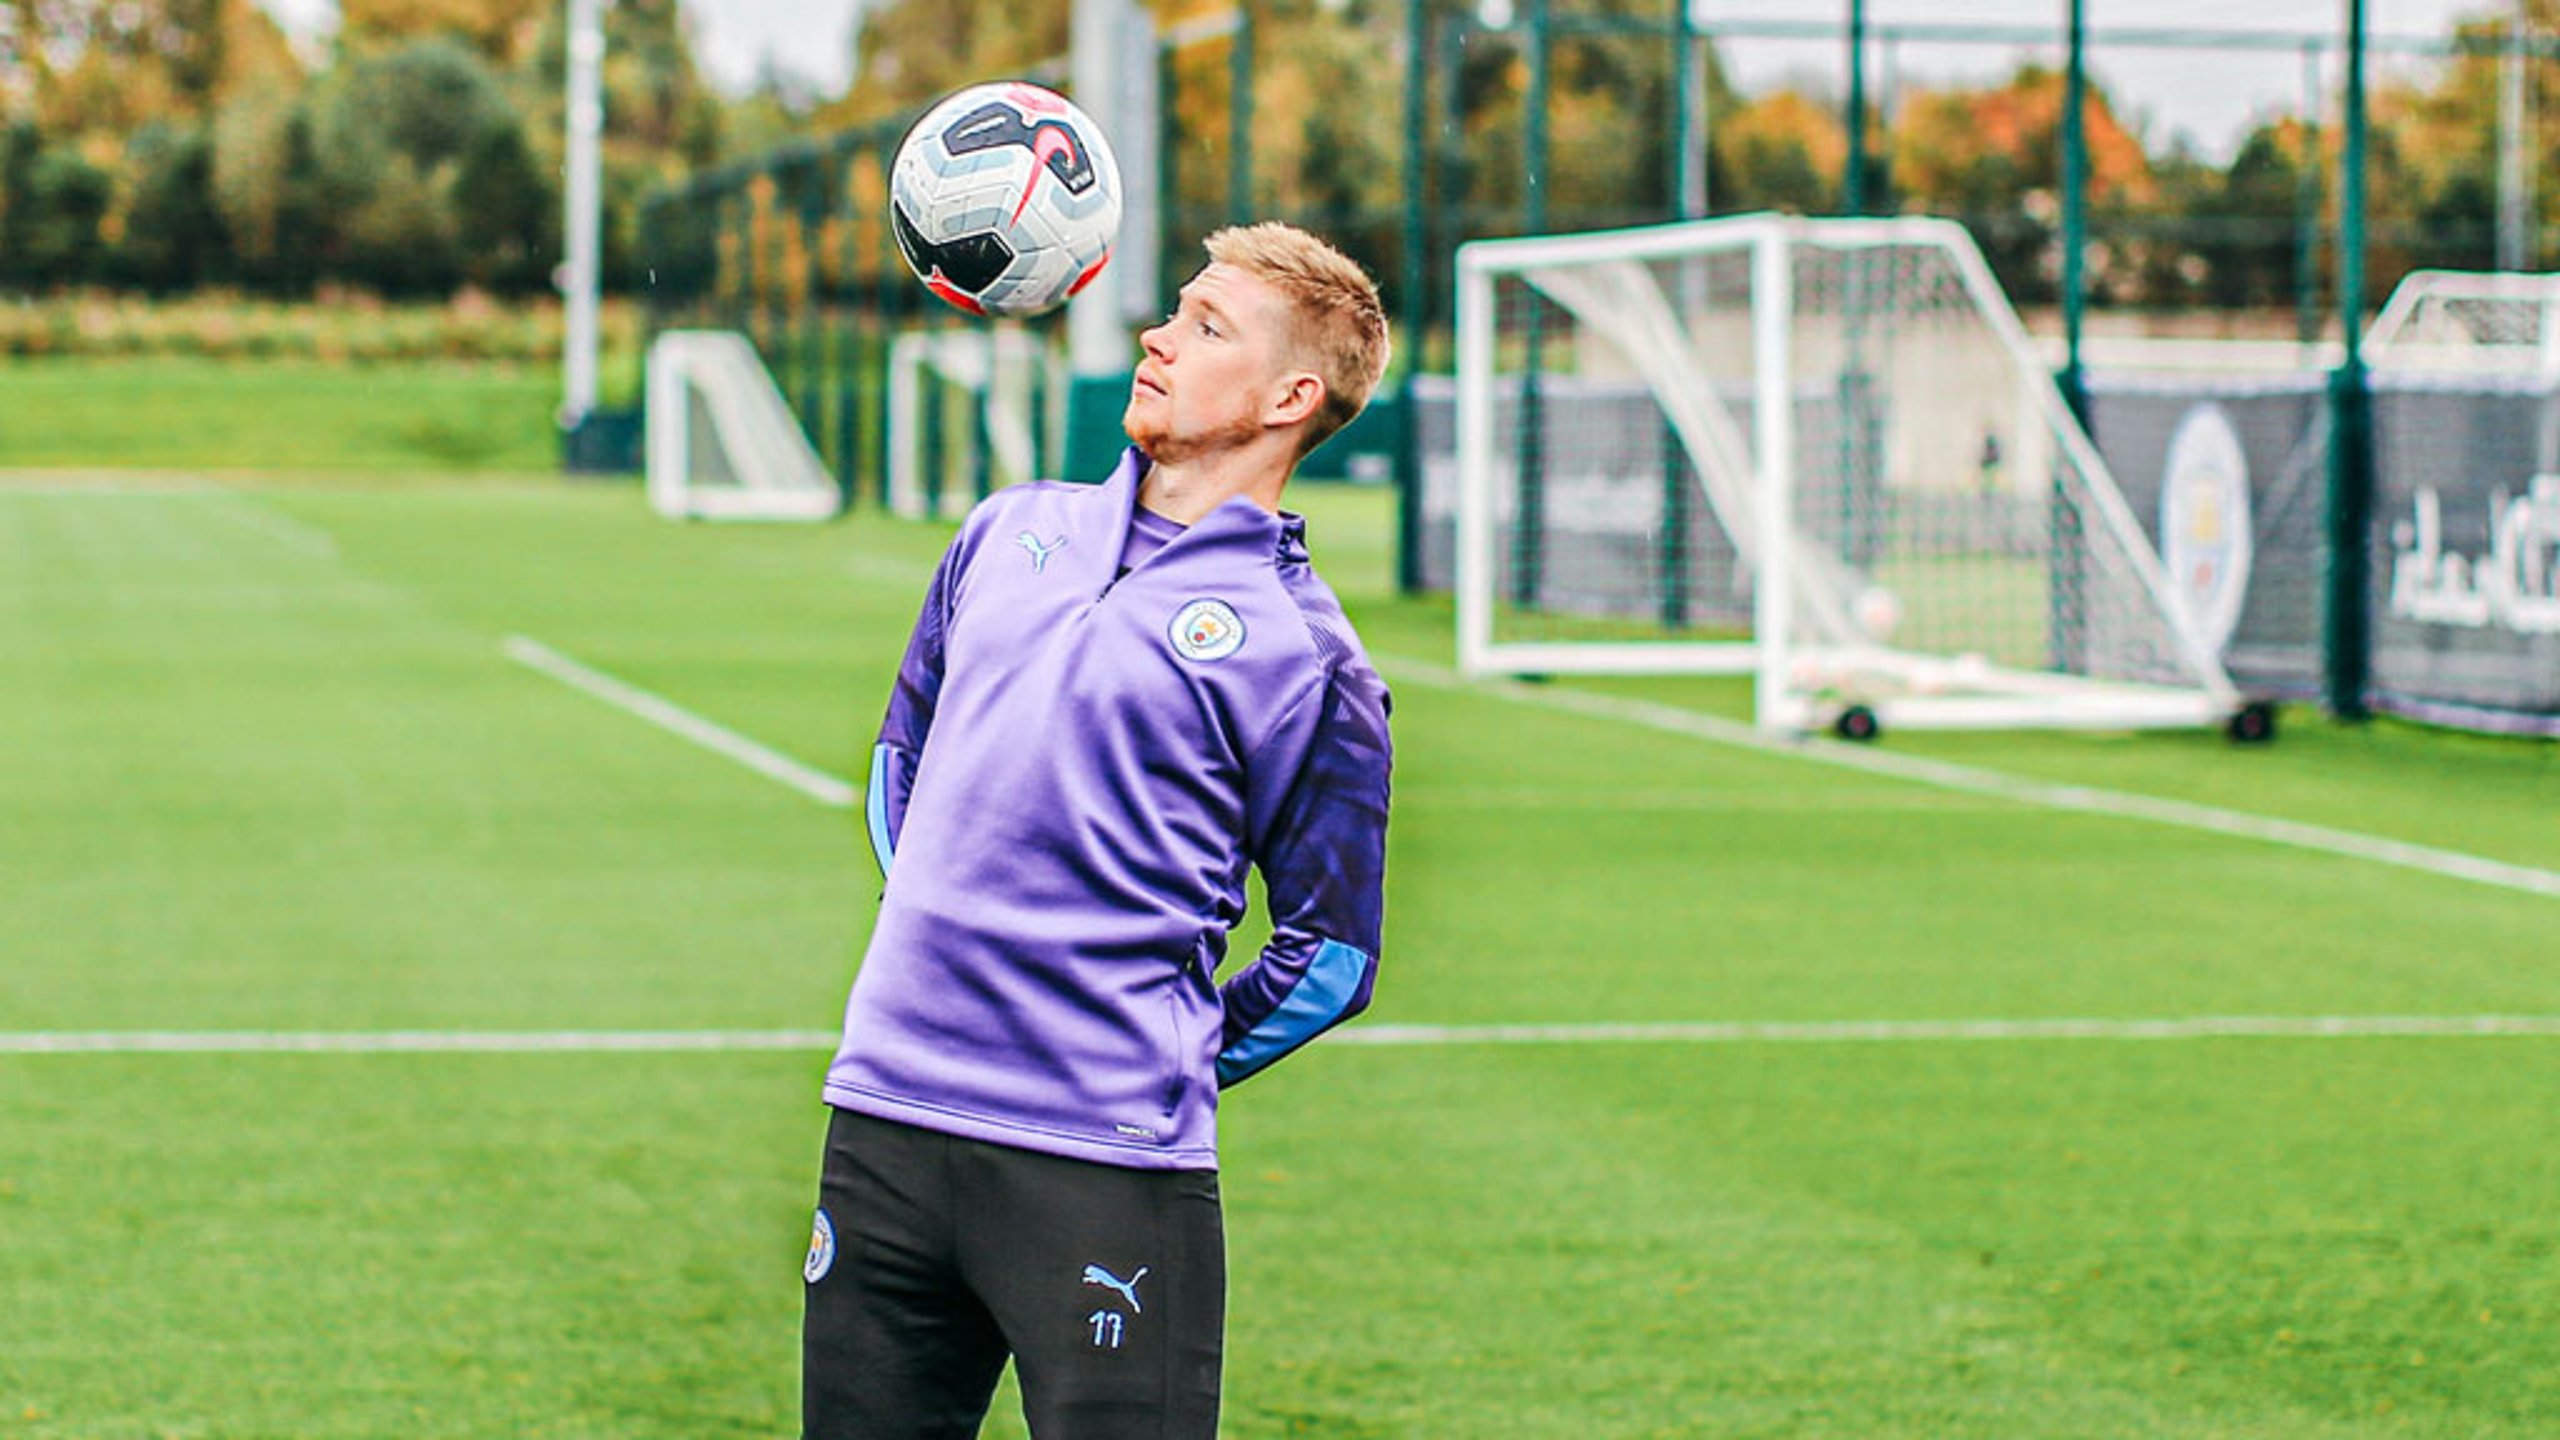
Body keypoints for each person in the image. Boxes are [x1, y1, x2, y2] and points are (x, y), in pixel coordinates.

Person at [803, 221, 1396, 1440]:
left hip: (1105, 1173)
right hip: (887, 1126)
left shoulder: (1308, 657)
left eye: (1204, 326)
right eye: (1177, 310)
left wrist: (1163, 1046)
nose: (1157, 338)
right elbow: (900, 762)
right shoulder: (1004, 533)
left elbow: (1331, 957)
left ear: (1291, 395)